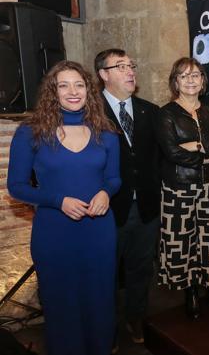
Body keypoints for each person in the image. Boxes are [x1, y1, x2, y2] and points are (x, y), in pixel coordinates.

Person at [8, 61, 120, 355]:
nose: (73, 91)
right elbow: (16, 187)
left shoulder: (106, 132)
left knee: (100, 302)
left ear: (89, 90)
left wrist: (106, 193)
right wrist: (58, 201)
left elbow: (113, 178)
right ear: (52, 91)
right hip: (54, 234)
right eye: (64, 85)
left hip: (99, 233)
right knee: (61, 306)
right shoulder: (30, 132)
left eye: (79, 85)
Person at [156, 57, 209, 319]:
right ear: (175, 81)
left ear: (202, 81)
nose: (190, 80)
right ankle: (189, 293)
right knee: (181, 241)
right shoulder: (166, 114)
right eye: (184, 75)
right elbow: (171, 153)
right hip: (178, 187)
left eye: (196, 75)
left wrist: (198, 146)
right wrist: (207, 154)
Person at [94, 48, 161, 345]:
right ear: (103, 75)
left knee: (141, 268)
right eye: (120, 66)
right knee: (104, 273)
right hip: (107, 209)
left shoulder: (150, 111)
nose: (130, 71)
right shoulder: (90, 112)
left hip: (146, 207)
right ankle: (105, 329)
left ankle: (136, 320)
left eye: (131, 65)